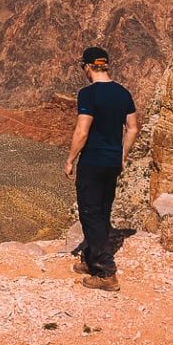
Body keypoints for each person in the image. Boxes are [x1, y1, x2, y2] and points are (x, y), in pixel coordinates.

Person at [64, 46, 138, 292]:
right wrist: (122, 155)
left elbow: (82, 131)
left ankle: (105, 272)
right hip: (112, 162)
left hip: (93, 161)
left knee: (90, 212)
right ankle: (90, 258)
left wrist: (70, 159)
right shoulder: (123, 93)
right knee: (103, 210)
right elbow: (133, 128)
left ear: (87, 67)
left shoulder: (88, 94)